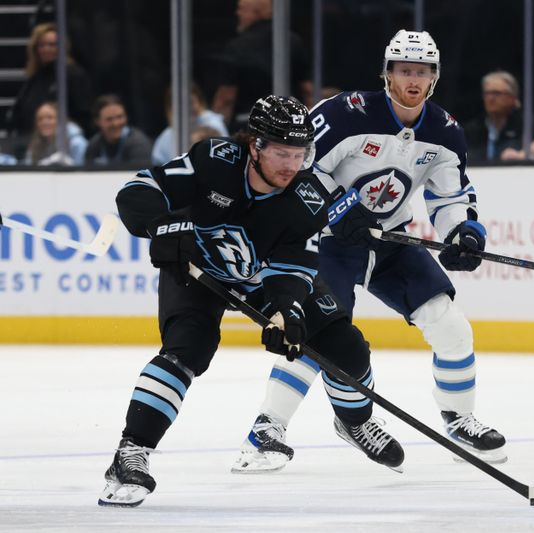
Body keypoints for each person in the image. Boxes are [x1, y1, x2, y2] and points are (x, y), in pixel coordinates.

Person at [99, 95, 404, 508]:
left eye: (300, 154)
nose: (291, 165)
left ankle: (356, 421)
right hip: (198, 272)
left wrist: (285, 309)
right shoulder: (215, 159)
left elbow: (292, 269)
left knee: (343, 343)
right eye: (281, 152)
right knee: (187, 349)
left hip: (262, 278)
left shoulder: (308, 198)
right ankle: (131, 453)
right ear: (255, 145)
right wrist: (162, 226)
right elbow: (138, 189)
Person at [232, 30, 507, 474]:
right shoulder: (343, 114)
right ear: (387, 73)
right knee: (315, 330)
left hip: (389, 242)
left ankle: (459, 419)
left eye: (422, 72)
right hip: (328, 242)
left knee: (450, 324)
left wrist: (462, 233)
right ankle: (268, 428)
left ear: (434, 77)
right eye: (404, 71)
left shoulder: (444, 131)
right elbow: (298, 172)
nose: (412, 80)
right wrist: (337, 210)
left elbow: (450, 198)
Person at [211, 0, 312, 131]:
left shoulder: (238, 46)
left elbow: (226, 98)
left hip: (248, 125)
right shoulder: (293, 41)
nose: (237, 13)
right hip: (288, 124)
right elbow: (308, 90)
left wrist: (215, 129)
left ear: (256, 12)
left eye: (241, 9)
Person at [6, 22, 93, 158]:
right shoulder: (34, 76)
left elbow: (84, 115)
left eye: (52, 45)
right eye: (42, 45)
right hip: (32, 146)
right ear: (35, 49)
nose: (47, 49)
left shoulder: (72, 75)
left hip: (63, 148)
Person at [462, 70, 534, 163]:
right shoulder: (473, 128)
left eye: (496, 93)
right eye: (487, 93)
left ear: (512, 97)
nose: (490, 98)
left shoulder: (527, 124)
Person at [151, 84, 229, 165]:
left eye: (191, 102)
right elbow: (158, 163)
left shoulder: (214, 125)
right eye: (180, 104)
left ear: (200, 101)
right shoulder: (168, 134)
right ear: (171, 108)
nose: (187, 108)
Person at [84, 94, 153, 167]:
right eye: (109, 119)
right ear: (97, 121)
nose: (115, 123)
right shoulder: (94, 145)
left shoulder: (139, 143)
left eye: (120, 117)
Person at [23, 101, 88, 166]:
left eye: (50, 117)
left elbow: (83, 172)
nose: (44, 122)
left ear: (61, 120)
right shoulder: (36, 144)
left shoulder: (77, 143)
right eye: (40, 119)